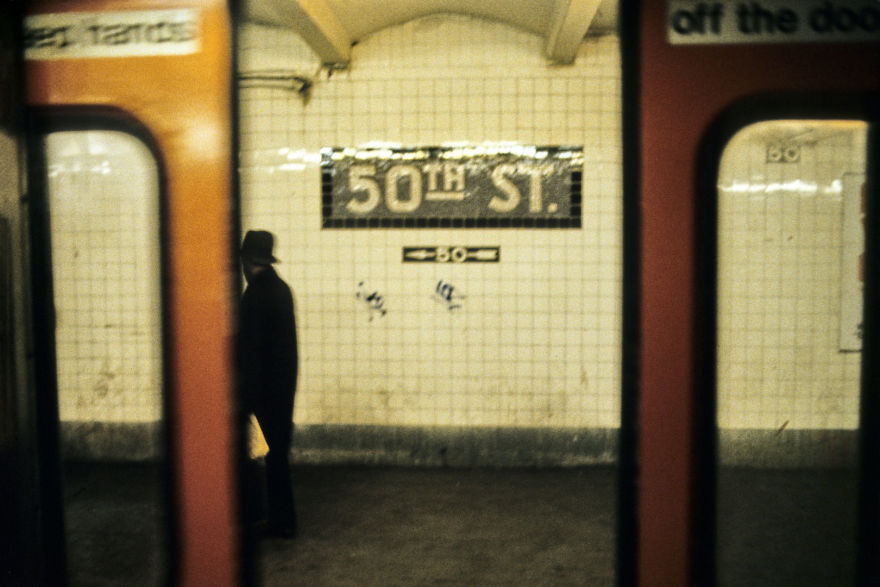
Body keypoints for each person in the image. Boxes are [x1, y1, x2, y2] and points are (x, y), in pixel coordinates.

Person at [238, 230, 298, 538]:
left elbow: (250, 350)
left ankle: (258, 517)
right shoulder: (282, 289)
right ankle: (282, 520)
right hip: (283, 387)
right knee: (277, 456)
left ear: (249, 262)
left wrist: (244, 395)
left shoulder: (255, 296)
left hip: (261, 391)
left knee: (249, 454)